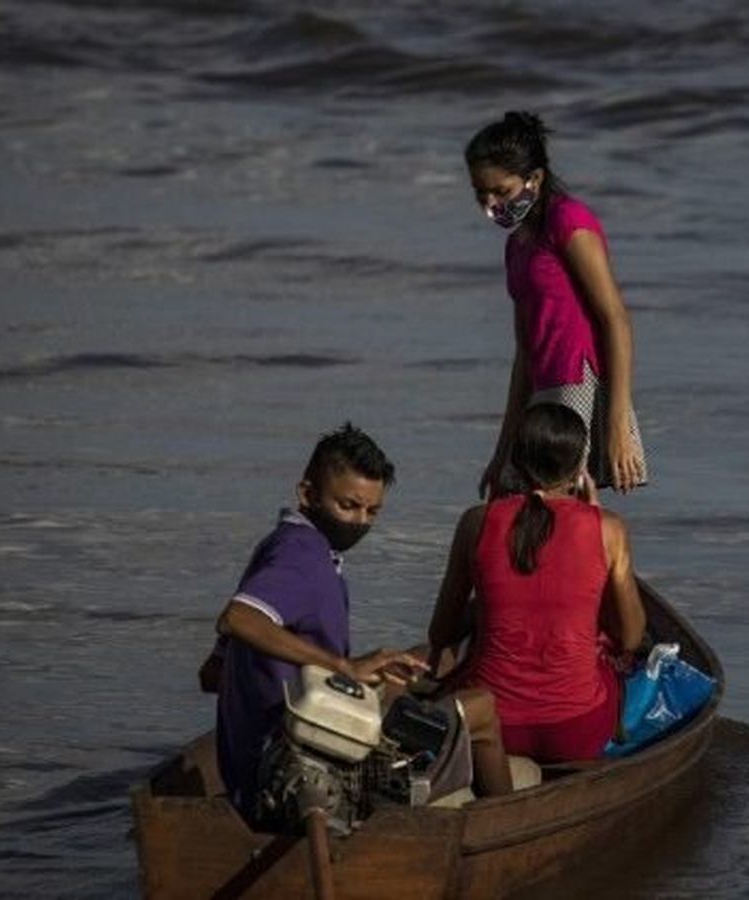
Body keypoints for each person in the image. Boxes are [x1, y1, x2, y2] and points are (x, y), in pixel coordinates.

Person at [202, 423, 512, 819]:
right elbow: (238, 618)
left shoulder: (278, 547)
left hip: (265, 757)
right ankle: (507, 828)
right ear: (307, 494)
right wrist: (344, 666)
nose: (361, 522)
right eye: (347, 506)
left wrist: (354, 671)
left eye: (372, 511)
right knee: (482, 708)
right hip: (300, 775)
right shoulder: (303, 559)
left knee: (413, 666)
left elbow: (211, 674)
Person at [427, 404, 647, 763]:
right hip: (576, 730)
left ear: (516, 460)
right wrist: (595, 519)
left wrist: (486, 608)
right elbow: (632, 636)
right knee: (613, 668)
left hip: (497, 727)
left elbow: (442, 633)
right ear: (579, 467)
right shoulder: (608, 528)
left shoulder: (476, 522)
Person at [466, 110, 649, 497]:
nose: (490, 204)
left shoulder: (568, 221)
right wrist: (502, 452)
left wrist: (617, 424)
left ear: (534, 178)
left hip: (579, 383)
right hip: (541, 389)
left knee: (568, 514)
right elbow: (525, 351)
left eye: (501, 191)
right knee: (517, 504)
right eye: (481, 193)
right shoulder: (516, 245)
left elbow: (615, 318)